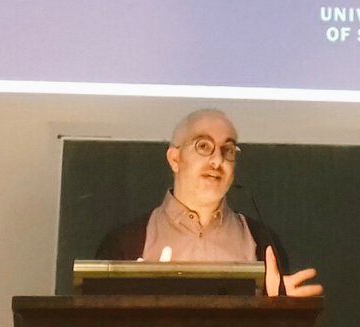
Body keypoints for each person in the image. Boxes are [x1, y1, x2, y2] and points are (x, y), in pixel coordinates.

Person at [95, 108, 322, 297]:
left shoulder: (262, 241)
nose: (217, 160)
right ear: (175, 159)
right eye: (203, 146)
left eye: (228, 150)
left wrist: (280, 309)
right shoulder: (125, 242)